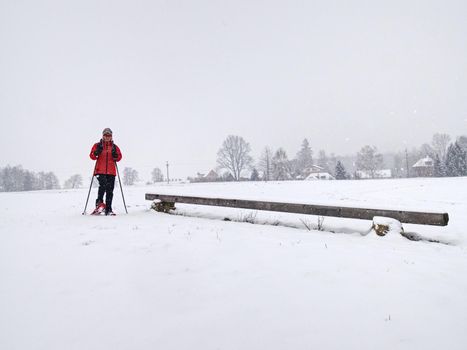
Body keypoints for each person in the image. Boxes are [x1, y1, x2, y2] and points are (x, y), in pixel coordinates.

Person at [89, 128, 122, 215]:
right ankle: (99, 204)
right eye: (106, 135)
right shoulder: (97, 145)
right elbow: (92, 156)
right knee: (103, 185)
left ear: (111, 136)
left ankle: (108, 209)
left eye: (109, 135)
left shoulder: (114, 147)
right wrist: (97, 152)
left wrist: (115, 155)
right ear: (103, 136)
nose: (107, 137)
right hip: (100, 170)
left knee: (110, 190)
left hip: (111, 171)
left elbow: (119, 157)